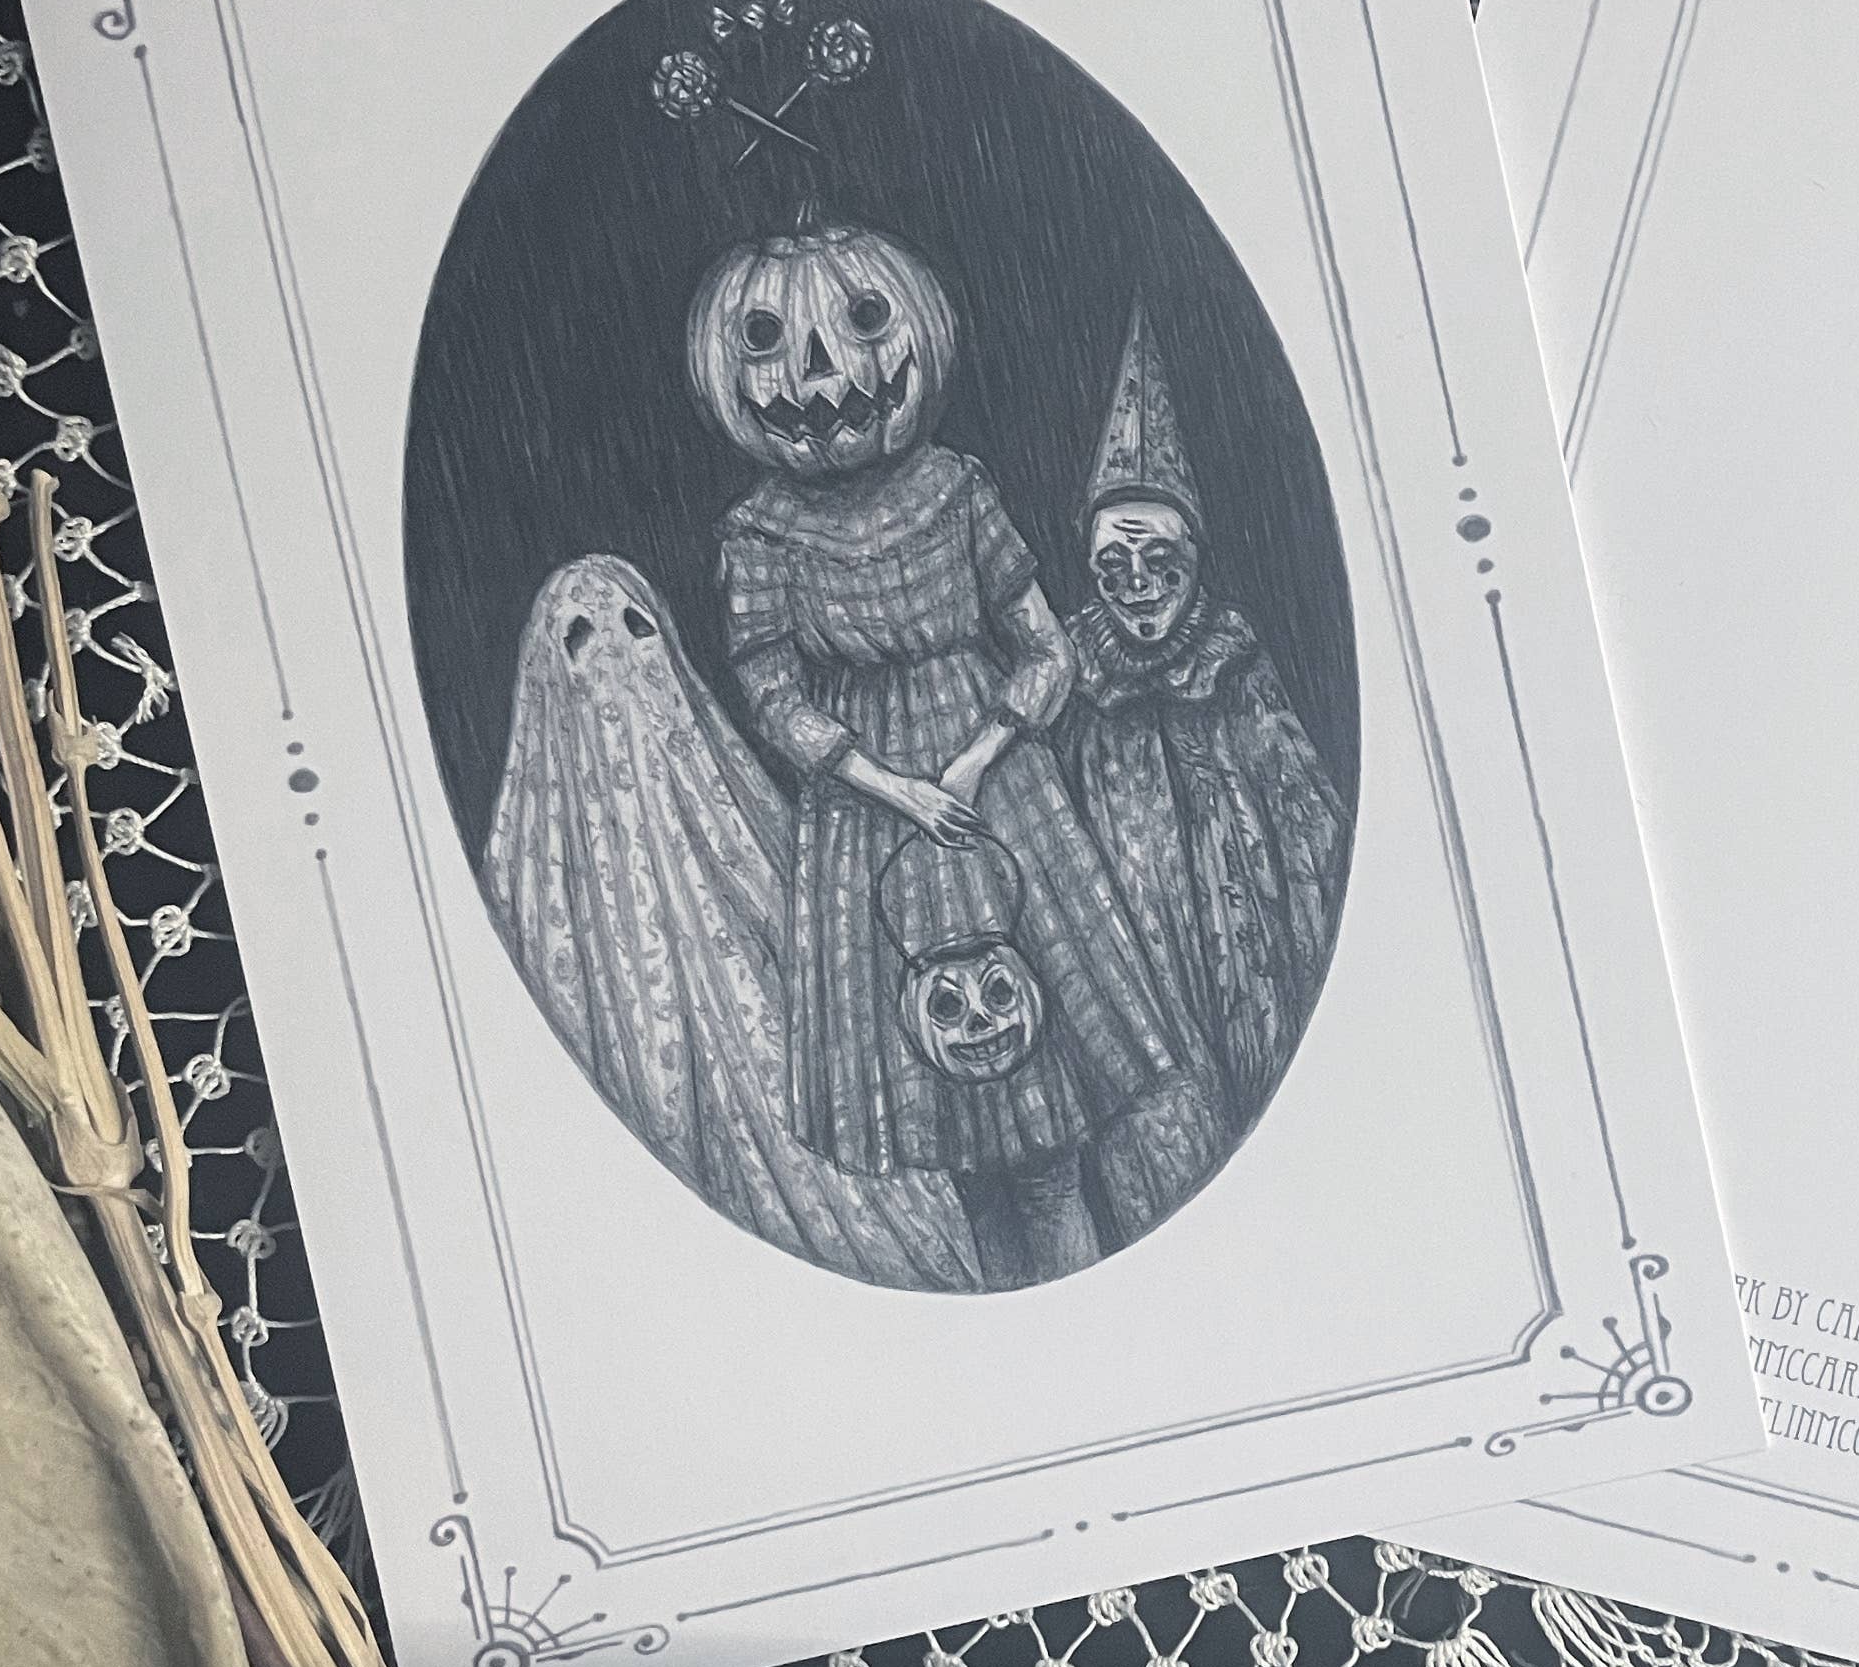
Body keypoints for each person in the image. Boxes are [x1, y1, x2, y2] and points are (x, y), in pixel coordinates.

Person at [697, 221, 1219, 1284]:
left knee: (1050, 1145)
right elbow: (771, 693)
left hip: (999, 797)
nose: (819, 372)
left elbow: (1044, 650)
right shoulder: (758, 534)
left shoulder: (957, 488)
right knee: (959, 1154)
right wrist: (889, 786)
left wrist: (976, 760)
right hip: (864, 825)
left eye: (862, 321)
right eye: (769, 338)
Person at [484, 551, 981, 1292]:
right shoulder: (524, 864)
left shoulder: (735, 803)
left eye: (637, 627)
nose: (615, 653)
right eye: (580, 638)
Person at [1065, 306, 1351, 1136]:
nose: (1138, 583)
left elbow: (1304, 807)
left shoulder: (1230, 658)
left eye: (1159, 560)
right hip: (1131, 929)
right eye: (1113, 565)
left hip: (1236, 919)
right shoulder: (1074, 668)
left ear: (1194, 558)